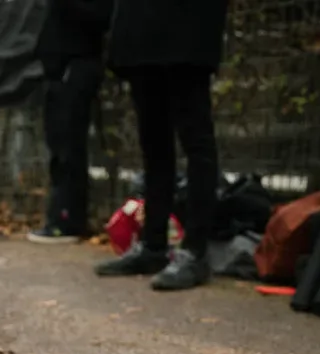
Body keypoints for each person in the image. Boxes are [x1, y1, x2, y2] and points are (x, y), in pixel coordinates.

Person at [94, 0, 229, 291]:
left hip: (188, 24)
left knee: (195, 139)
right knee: (153, 141)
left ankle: (195, 251)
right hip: (140, 24)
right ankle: (153, 245)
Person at [27, 0, 112, 243]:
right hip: (59, 67)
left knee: (69, 145)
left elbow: (102, 16)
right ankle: (61, 216)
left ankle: (67, 220)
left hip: (75, 64)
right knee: (59, 144)